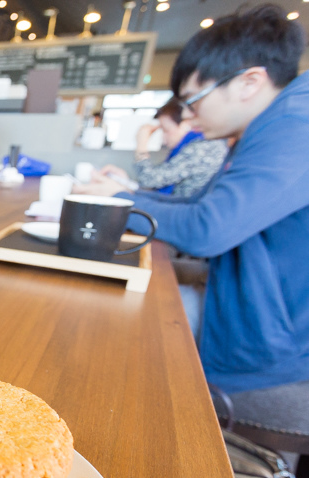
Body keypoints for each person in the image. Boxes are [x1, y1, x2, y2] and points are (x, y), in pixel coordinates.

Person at [73, 4, 309, 402]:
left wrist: (121, 200)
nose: (191, 117)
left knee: (105, 321)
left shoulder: (294, 126)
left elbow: (207, 228)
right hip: (253, 305)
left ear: (248, 83)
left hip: (267, 341)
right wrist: (124, 195)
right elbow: (200, 202)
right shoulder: (272, 124)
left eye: (194, 101)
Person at [99, 97, 228, 197]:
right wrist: (126, 183)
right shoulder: (191, 147)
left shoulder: (204, 148)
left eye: (166, 130)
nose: (163, 138)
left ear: (186, 123)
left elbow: (149, 180)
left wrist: (142, 144)